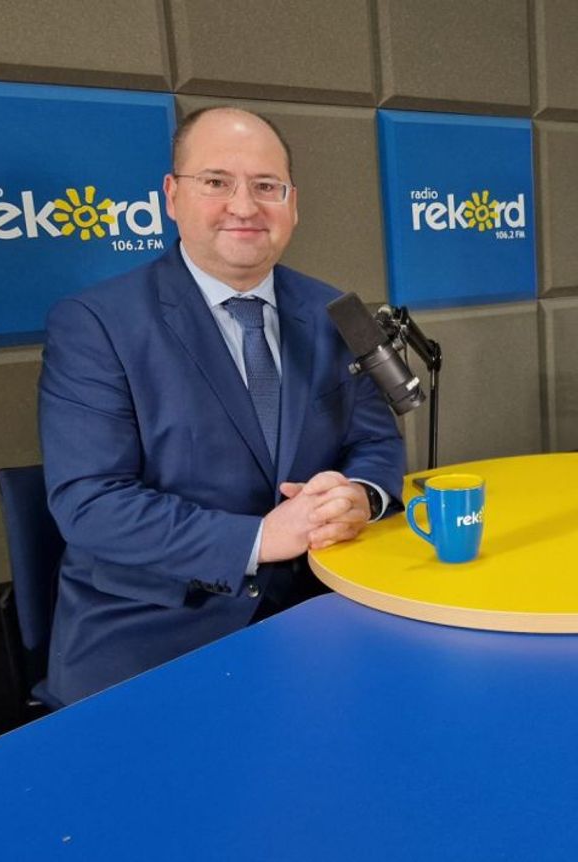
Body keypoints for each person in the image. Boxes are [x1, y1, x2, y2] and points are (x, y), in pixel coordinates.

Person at [39, 107, 406, 706]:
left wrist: (360, 496)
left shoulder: (335, 312)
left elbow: (375, 440)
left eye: (266, 186)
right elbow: (90, 502)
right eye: (216, 182)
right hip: (154, 633)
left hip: (320, 608)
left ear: (292, 205)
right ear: (171, 196)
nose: (244, 205)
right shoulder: (95, 324)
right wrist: (258, 538)